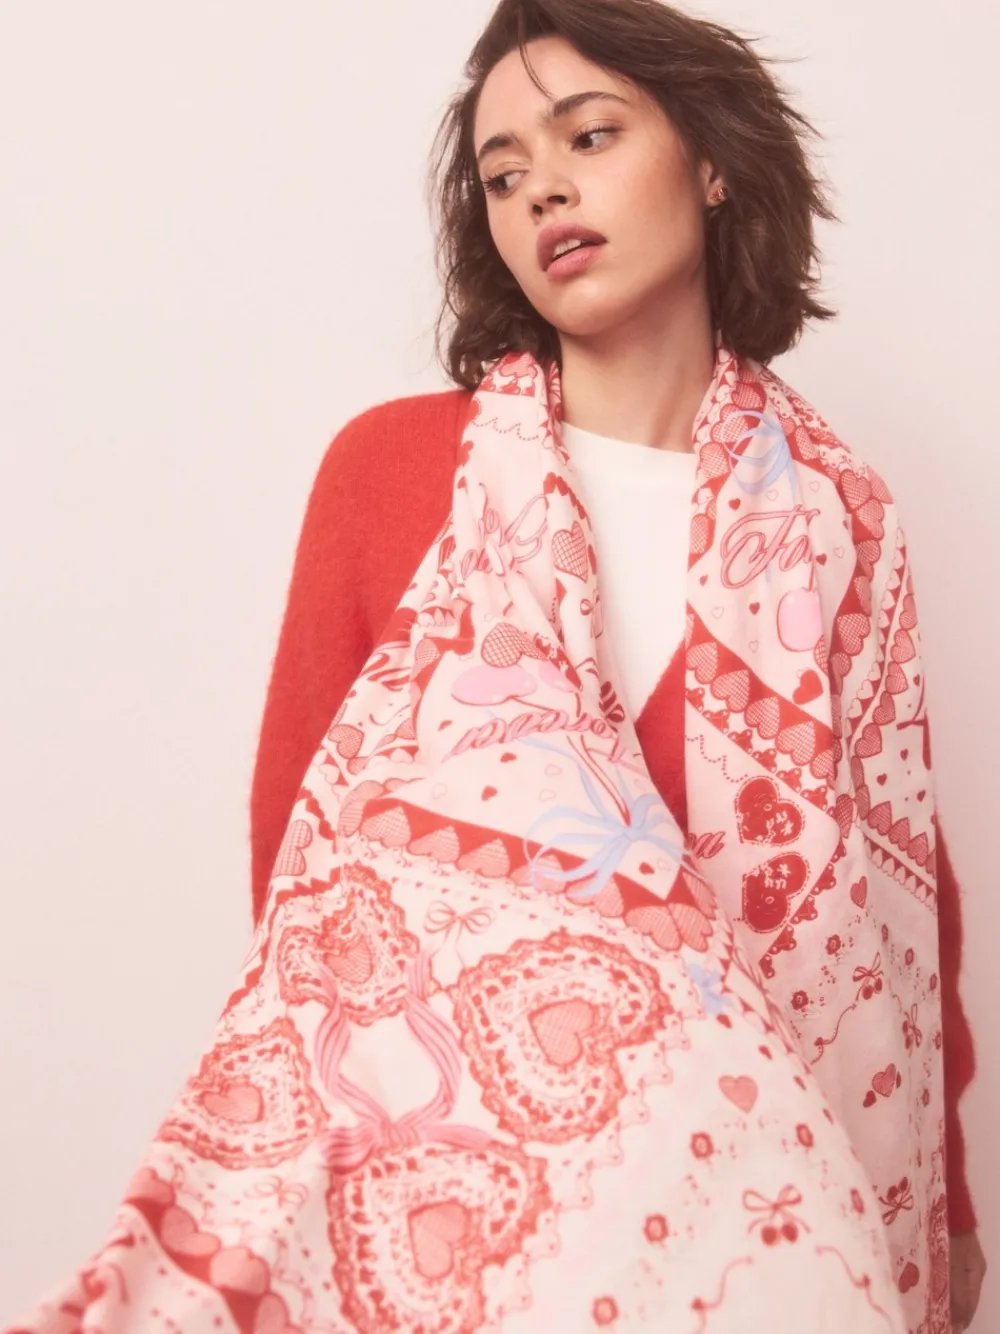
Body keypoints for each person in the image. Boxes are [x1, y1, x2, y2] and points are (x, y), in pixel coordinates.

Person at [5, 2, 986, 1333]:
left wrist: (948, 1208)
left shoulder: (836, 517)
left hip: (762, 1230)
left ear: (711, 162)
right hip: (472, 1218)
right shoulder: (398, 472)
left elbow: (901, 899)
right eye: (504, 174)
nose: (544, 193)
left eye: (590, 136)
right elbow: (306, 875)